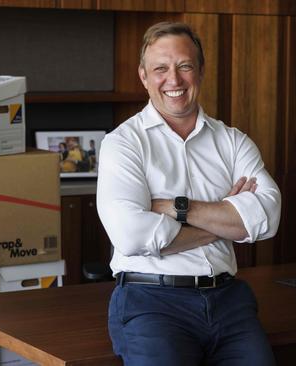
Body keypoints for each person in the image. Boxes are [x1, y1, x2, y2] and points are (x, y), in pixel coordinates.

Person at [96, 21, 281, 366]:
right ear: (143, 76)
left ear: (200, 71)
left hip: (229, 301)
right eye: (160, 69)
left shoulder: (233, 141)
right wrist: (228, 220)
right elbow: (130, 234)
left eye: (184, 66)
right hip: (152, 302)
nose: (174, 80)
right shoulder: (123, 144)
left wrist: (173, 207)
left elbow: (267, 219)